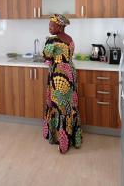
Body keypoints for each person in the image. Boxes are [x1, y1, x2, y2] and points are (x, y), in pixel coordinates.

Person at [42, 14, 82, 153]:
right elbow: (69, 55)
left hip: (58, 75)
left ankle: (59, 139)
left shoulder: (52, 40)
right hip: (70, 73)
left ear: (59, 26)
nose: (49, 28)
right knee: (69, 105)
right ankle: (73, 138)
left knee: (58, 106)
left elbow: (46, 59)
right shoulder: (70, 39)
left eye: (51, 25)